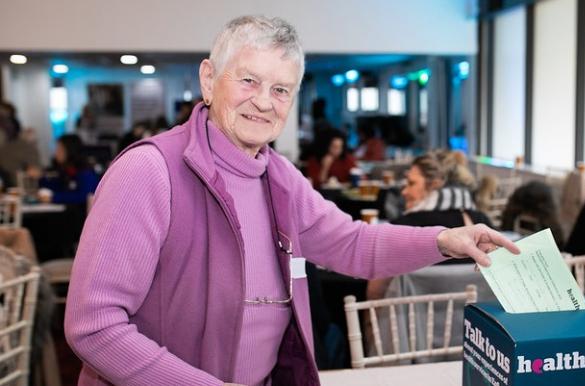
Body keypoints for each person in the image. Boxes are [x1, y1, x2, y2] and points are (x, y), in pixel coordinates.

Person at [64, 16, 519, 386]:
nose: (263, 102)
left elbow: (353, 245)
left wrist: (444, 240)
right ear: (208, 79)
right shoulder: (148, 171)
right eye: (248, 81)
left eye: (280, 89)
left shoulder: (279, 176)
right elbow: (95, 326)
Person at [369, 152, 495, 300]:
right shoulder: (482, 225)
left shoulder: (400, 229)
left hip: (411, 321)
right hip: (474, 320)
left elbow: (375, 294)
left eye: (411, 183)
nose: (404, 192)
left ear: (434, 185)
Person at [39, 134, 98, 205]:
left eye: (60, 149)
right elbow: (57, 186)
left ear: (70, 150)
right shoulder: (66, 171)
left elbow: (84, 196)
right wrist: (40, 177)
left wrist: (54, 198)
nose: (56, 153)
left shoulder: (86, 173)